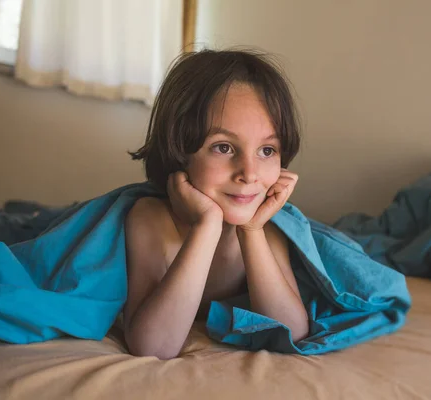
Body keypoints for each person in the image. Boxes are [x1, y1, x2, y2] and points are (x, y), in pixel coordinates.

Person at [124, 49, 309, 360]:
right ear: (180, 149)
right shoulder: (151, 219)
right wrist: (207, 226)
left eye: (267, 150)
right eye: (223, 147)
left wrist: (251, 231)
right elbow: (153, 347)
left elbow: (292, 332)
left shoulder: (268, 228)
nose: (249, 174)